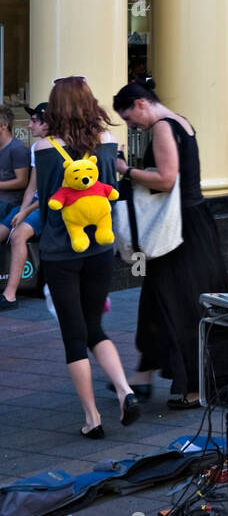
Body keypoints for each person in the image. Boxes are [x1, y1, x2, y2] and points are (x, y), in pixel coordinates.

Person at [112, 78, 228, 407]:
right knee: (156, 297)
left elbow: (166, 179)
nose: (130, 124)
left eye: (128, 117)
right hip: (191, 225)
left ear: (140, 103)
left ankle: (195, 388)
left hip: (178, 231)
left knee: (180, 304)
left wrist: (126, 170)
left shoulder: (163, 127)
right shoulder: (181, 122)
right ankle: (143, 374)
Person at [33, 77, 140, 438]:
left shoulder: (43, 149)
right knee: (95, 326)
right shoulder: (108, 143)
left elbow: (47, 201)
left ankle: (92, 418)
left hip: (61, 251)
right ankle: (125, 390)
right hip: (100, 250)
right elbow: (113, 190)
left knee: (74, 336)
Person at [0, 103, 49, 311]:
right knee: (17, 228)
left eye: (34, 121)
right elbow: (31, 187)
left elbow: (50, 192)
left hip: (51, 204)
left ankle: (9, 295)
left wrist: (25, 211)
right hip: (34, 204)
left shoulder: (55, 147)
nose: (29, 126)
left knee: (18, 235)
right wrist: (23, 210)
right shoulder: (35, 148)